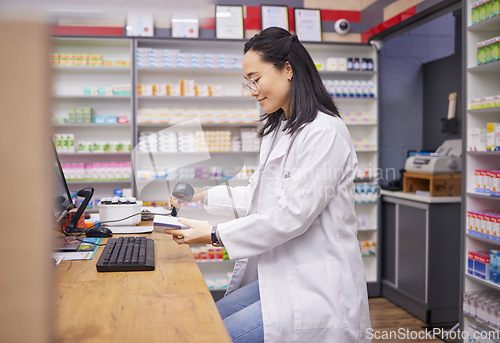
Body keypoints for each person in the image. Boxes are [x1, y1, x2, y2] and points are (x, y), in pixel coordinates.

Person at [165, 27, 371, 342]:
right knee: (209, 319)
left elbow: (292, 214)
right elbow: (259, 196)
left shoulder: (325, 132)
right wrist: (200, 196)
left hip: (317, 289)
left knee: (213, 334)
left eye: (255, 78)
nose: (252, 89)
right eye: (247, 81)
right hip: (282, 275)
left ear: (287, 69)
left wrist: (214, 234)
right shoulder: (279, 130)